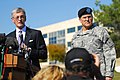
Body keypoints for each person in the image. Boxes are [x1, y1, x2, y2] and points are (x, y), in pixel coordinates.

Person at [71, 7, 116, 80]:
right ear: (80, 20)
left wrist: (109, 74)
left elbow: (109, 52)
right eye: (84, 17)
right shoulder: (76, 36)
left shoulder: (100, 32)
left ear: (92, 18)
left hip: (99, 74)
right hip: (82, 75)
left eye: (89, 17)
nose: (87, 19)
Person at [4, 7, 47, 79]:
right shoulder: (8, 37)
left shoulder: (35, 34)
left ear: (25, 18)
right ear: (13, 20)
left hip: (33, 74)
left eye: (22, 17)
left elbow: (44, 54)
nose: (20, 19)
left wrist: (30, 51)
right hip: (14, 74)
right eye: (17, 17)